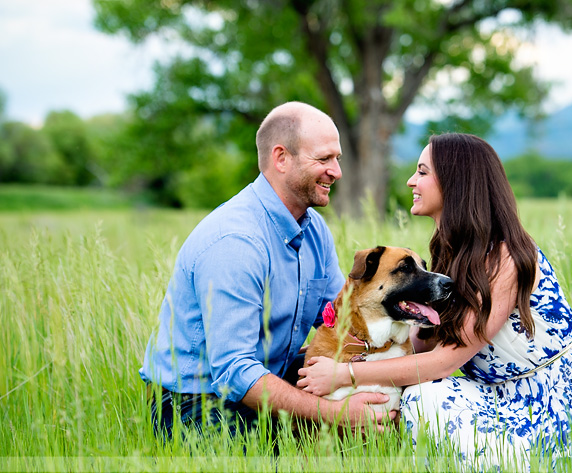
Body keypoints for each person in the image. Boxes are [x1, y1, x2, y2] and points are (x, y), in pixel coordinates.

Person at [298, 133, 572, 470]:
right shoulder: (452, 256)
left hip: (566, 401)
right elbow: (421, 348)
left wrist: (344, 375)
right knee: (421, 397)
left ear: (455, 183)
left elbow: (443, 362)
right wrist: (338, 349)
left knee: (426, 398)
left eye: (423, 172)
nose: (411, 180)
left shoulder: (506, 258)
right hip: (499, 396)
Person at [140, 102, 395, 439]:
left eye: (337, 159)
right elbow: (234, 372)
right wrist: (335, 413)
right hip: (196, 403)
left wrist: (407, 333)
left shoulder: (314, 229)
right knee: (292, 466)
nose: (336, 171)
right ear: (281, 158)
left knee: (375, 424)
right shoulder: (236, 242)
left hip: (268, 376)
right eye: (323, 159)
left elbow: (338, 318)